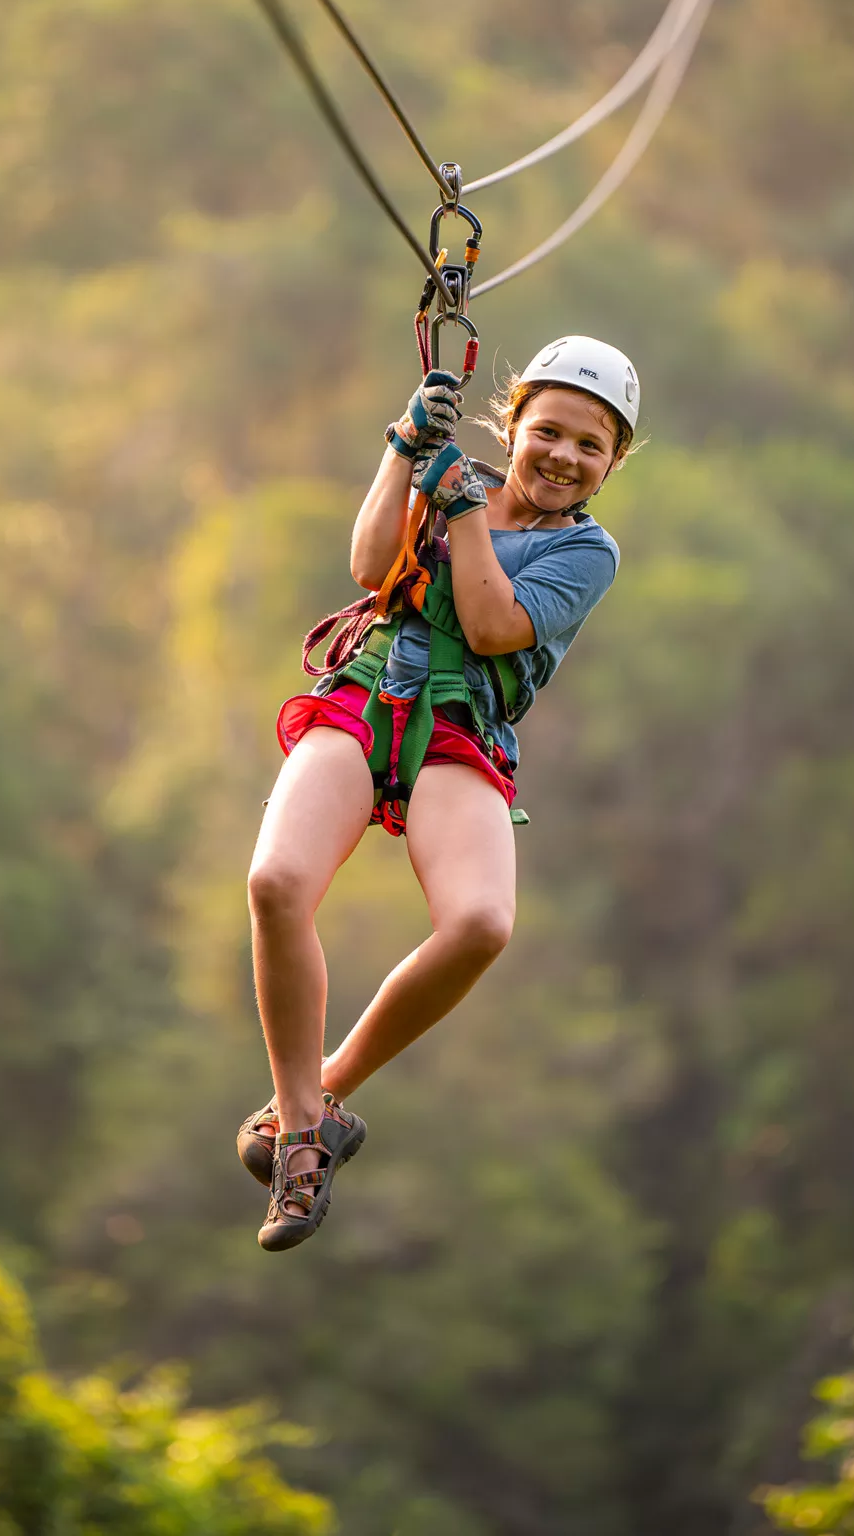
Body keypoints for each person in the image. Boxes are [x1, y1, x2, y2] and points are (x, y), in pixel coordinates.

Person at [238, 335, 640, 1251]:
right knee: (274, 884)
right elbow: (372, 567)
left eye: (590, 446)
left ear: (613, 462)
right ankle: (303, 1133)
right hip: (367, 694)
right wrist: (403, 450)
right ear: (516, 425)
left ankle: (325, 1090)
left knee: (480, 926)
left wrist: (461, 509)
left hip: (463, 728)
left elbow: (497, 627)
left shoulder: (589, 554)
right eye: (549, 433)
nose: (563, 458)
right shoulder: (447, 478)